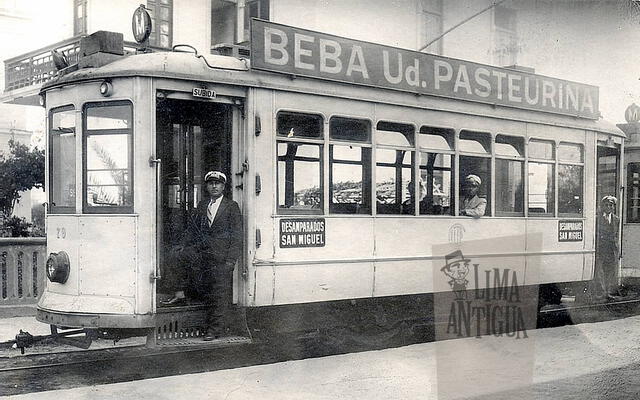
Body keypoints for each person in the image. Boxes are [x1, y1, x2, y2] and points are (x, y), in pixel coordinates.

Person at [163, 170, 243, 341]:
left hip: (221, 258)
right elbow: (192, 229)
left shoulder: (231, 206)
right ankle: (179, 293)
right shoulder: (202, 205)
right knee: (175, 256)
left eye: (218, 183)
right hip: (202, 253)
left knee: (218, 293)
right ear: (207, 186)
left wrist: (230, 261)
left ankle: (214, 330)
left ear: (223, 186)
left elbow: (237, 236)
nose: (214, 186)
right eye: (211, 183)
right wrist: (181, 246)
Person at [594, 195, 620, 300]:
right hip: (601, 249)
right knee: (600, 271)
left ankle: (608, 293)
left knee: (610, 271)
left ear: (614, 207)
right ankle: (601, 293)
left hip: (611, 250)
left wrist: (616, 249)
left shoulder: (616, 219)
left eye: (611, 205)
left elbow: (616, 235)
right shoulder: (597, 219)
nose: (609, 207)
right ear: (602, 206)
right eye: (606, 205)